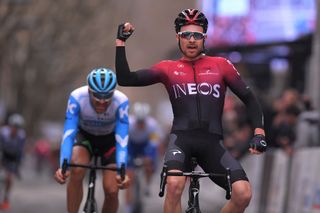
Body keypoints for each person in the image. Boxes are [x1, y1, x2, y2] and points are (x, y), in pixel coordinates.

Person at [115, 9, 267, 213]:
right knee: (175, 185)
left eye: (197, 35)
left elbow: (249, 98)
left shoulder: (221, 65)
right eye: (186, 35)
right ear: (178, 37)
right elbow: (126, 79)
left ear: (204, 38)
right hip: (181, 141)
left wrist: (259, 132)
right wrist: (120, 43)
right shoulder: (167, 68)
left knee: (243, 193)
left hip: (213, 144)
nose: (192, 40)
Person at [54, 68, 130, 213]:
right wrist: (63, 166)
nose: (102, 101)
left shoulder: (121, 101)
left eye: (107, 96)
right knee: (76, 169)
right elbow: (69, 133)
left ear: (113, 92)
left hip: (109, 141)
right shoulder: (77, 97)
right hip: (85, 138)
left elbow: (122, 139)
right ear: (89, 91)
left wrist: (122, 170)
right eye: (97, 95)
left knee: (112, 190)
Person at [125, 102, 162, 213]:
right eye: (139, 121)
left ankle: (147, 183)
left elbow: (155, 143)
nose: (140, 124)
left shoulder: (152, 125)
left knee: (149, 163)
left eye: (143, 122)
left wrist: (150, 157)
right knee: (129, 178)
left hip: (145, 145)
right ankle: (128, 207)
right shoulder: (129, 124)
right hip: (131, 146)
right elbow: (124, 143)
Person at [0, 113, 26, 210]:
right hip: (3, 154)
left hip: (13, 157)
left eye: (18, 127)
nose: (15, 129)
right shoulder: (3, 132)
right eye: (14, 126)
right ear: (10, 125)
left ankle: (6, 198)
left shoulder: (21, 136)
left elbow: (20, 151)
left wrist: (17, 167)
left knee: (9, 179)